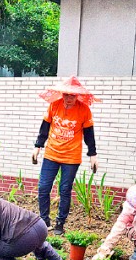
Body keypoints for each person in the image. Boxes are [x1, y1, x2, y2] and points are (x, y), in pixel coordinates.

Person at [33, 76, 100, 235]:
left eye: (72, 95)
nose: (69, 98)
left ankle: (60, 223)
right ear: (62, 94)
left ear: (77, 96)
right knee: (43, 187)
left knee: (64, 189)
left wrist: (93, 155)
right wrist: (37, 147)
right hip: (51, 153)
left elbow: (89, 134)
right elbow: (44, 128)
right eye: (66, 94)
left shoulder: (84, 110)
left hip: (71, 156)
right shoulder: (54, 106)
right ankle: (44, 220)